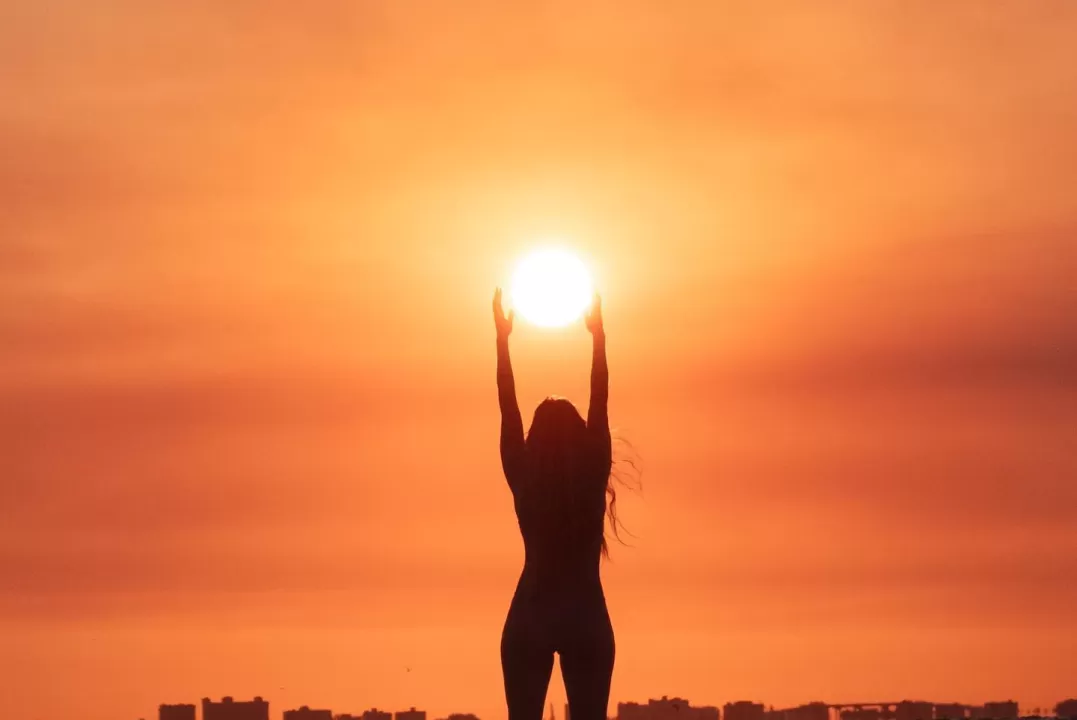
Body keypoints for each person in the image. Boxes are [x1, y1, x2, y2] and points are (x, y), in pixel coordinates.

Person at [493, 287, 616, 720]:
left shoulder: (524, 477)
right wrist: (597, 336)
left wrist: (501, 340)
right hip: (585, 613)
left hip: (532, 611)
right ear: (580, 436)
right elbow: (600, 400)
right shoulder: (591, 473)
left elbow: (508, 411)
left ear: (535, 438)